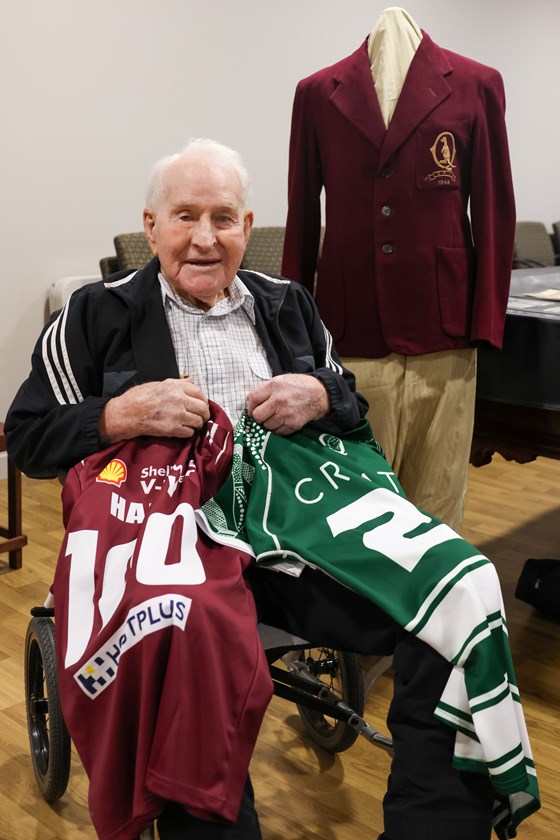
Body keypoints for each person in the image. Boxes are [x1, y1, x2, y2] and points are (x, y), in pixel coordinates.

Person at [6, 139, 523, 840]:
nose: (204, 237)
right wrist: (117, 415)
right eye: (185, 215)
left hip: (302, 531)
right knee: (181, 631)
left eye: (224, 218)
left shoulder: (287, 305)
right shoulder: (96, 314)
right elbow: (30, 435)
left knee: (461, 587)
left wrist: (318, 392)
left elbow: (347, 402)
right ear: (150, 226)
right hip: (171, 536)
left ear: (248, 229)